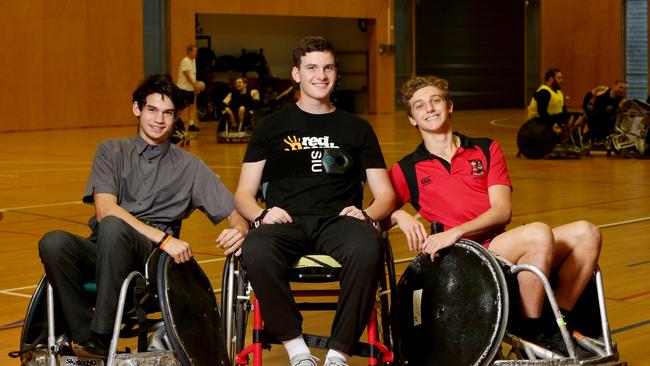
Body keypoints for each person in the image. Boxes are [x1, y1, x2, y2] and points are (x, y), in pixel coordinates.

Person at [38, 74, 248, 359]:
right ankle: (85, 336)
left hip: (148, 261)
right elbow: (105, 209)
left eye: (168, 113)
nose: (159, 119)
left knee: (114, 227)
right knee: (53, 242)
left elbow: (236, 216)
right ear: (137, 109)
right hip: (108, 247)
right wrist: (165, 240)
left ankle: (102, 335)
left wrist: (239, 229)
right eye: (152, 109)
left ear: (176, 118)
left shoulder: (190, 167)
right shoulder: (111, 151)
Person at [389, 75, 602, 357]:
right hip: (460, 257)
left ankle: (554, 325)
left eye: (435, 100)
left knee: (587, 232)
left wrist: (457, 229)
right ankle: (531, 331)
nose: (429, 108)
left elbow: (502, 211)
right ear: (412, 119)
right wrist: (399, 215)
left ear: (449, 106)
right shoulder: (407, 168)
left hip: (497, 245)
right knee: (538, 233)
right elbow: (378, 211)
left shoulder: (486, 148)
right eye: (419, 106)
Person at [234, 36, 395, 366]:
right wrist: (261, 216)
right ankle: (297, 350)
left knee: (368, 246)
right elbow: (243, 194)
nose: (320, 75)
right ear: (296, 74)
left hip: (339, 220)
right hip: (286, 220)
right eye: (311, 68)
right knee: (255, 248)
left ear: (336, 72)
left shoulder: (357, 128)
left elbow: (386, 193)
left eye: (328, 67)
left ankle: (338, 353)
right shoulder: (270, 127)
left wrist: (367, 214)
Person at [528, 68, 583, 136]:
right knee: (568, 116)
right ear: (551, 79)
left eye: (562, 78)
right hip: (539, 120)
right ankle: (564, 137)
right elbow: (542, 112)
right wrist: (553, 124)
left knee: (580, 116)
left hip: (555, 117)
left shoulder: (559, 92)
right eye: (559, 78)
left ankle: (571, 136)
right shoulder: (544, 91)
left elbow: (564, 110)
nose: (562, 80)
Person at [176, 44, 201, 132]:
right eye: (194, 51)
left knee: (192, 106)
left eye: (196, 51)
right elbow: (187, 75)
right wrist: (195, 86)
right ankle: (176, 123)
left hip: (190, 88)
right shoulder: (185, 61)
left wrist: (196, 82)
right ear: (189, 51)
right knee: (181, 107)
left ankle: (191, 124)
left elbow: (193, 74)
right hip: (183, 88)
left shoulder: (193, 60)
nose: (196, 53)